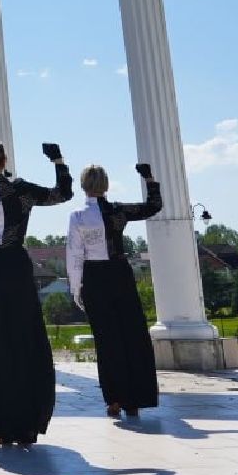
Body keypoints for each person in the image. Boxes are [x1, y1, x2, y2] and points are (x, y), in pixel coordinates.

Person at [0, 139, 72, 447]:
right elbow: (63, 193)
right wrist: (58, 161)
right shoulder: (22, 189)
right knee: (24, 344)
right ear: (4, 160)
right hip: (15, 268)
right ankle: (28, 423)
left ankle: (1, 426)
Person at [67, 162, 162, 419]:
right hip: (120, 273)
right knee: (133, 336)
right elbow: (153, 206)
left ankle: (114, 400)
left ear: (83, 185)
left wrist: (76, 288)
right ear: (106, 185)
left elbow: (75, 255)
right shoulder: (119, 211)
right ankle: (135, 399)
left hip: (95, 277)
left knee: (107, 341)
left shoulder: (77, 217)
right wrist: (149, 179)